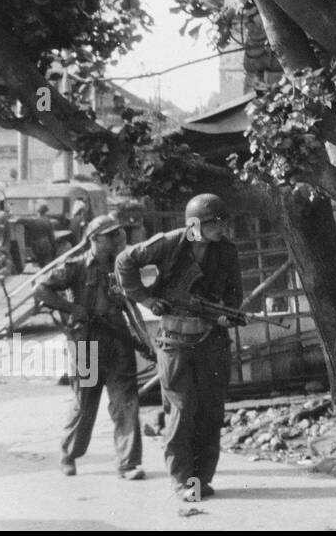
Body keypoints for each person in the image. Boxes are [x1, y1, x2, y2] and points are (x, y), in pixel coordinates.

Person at [116, 193, 242, 502]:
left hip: (211, 339)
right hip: (173, 341)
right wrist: (146, 300)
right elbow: (124, 262)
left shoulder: (225, 251)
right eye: (217, 224)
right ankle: (182, 480)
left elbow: (235, 291)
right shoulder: (170, 242)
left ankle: (201, 480)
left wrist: (226, 314)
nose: (223, 230)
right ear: (198, 223)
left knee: (212, 411)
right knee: (182, 410)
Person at [33, 214, 144, 480]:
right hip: (87, 343)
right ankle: (69, 455)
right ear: (93, 239)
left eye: (117, 234)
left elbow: (133, 304)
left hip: (117, 340)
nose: (116, 239)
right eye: (109, 236)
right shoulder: (76, 267)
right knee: (85, 402)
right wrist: (72, 308)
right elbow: (41, 289)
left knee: (126, 401)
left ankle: (128, 464)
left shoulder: (122, 265)